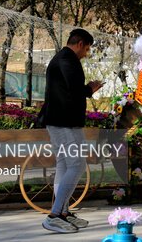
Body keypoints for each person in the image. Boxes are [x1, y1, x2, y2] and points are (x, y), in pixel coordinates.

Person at [41, 28, 103, 234]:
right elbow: (74, 89)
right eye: (86, 49)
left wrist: (86, 89)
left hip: (60, 121)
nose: (86, 53)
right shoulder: (67, 59)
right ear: (79, 44)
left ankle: (63, 213)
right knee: (76, 164)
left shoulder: (62, 58)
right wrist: (90, 89)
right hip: (64, 122)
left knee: (65, 165)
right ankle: (55, 215)